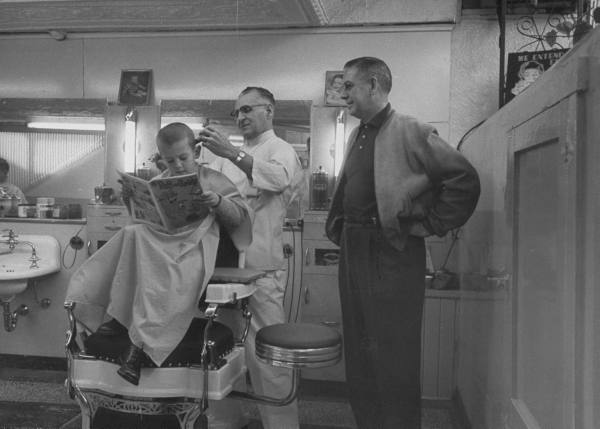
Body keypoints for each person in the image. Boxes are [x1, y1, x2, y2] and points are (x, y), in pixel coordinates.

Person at [325, 57, 480, 429]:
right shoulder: (359, 132)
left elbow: (464, 179)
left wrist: (431, 224)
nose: (342, 93)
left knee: (395, 352)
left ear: (374, 85)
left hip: (391, 250)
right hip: (355, 246)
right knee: (361, 349)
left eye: (348, 85)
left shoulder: (410, 129)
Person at [65, 122, 252, 386]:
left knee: (154, 258)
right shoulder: (159, 181)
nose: (176, 165)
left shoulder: (214, 179)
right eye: (169, 160)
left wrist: (219, 202)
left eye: (183, 158)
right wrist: (132, 199)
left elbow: (240, 218)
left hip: (195, 248)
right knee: (132, 234)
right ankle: (117, 318)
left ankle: (137, 343)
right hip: (160, 245)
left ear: (196, 152)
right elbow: (144, 221)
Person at [196, 87, 302, 429]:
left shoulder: (281, 150)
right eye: (236, 112)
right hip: (224, 270)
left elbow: (277, 179)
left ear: (269, 110)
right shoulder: (223, 158)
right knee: (222, 355)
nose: (240, 116)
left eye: (247, 109)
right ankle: (226, 423)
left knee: (269, 360)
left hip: (260, 272)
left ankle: (282, 427)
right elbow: (199, 183)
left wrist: (230, 151)